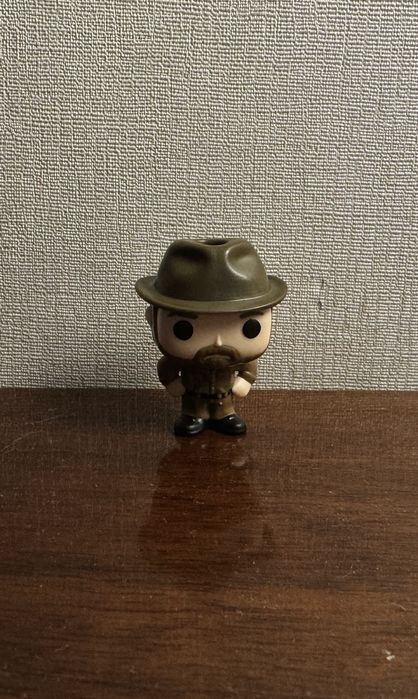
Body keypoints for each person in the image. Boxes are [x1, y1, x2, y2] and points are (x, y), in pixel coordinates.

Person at [136, 238, 287, 436]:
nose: (218, 342)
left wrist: (245, 381)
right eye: (184, 329)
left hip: (224, 399)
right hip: (193, 398)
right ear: (152, 319)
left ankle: (226, 416)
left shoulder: (237, 360)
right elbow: (167, 367)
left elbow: (249, 368)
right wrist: (173, 383)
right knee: (194, 412)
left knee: (224, 411)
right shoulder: (182, 361)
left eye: (249, 328)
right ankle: (193, 416)